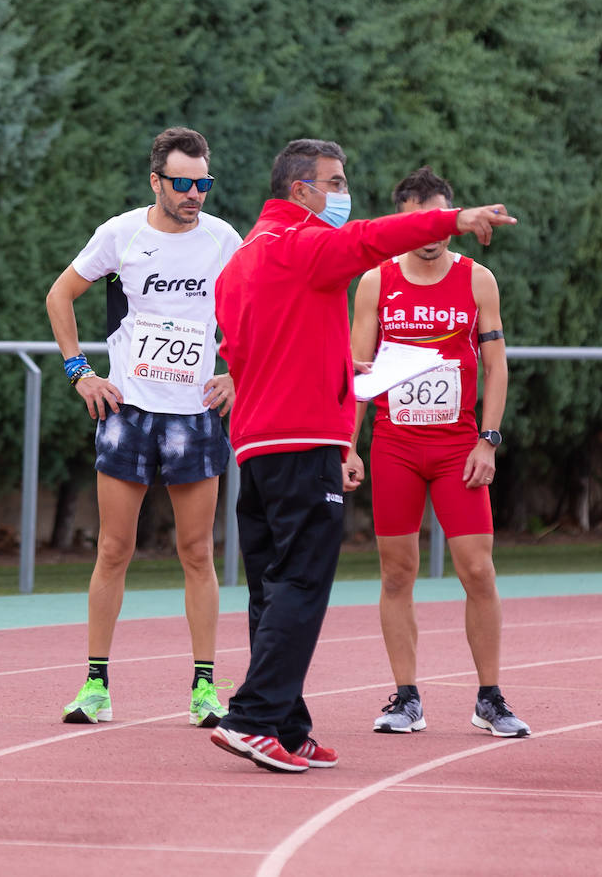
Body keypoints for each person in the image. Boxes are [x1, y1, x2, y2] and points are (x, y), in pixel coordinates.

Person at [209, 139, 517, 773]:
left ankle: (287, 728)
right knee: (301, 583)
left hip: (255, 448)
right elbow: (371, 241)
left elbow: (240, 352)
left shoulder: (241, 260)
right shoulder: (303, 247)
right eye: (336, 181)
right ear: (302, 190)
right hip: (302, 443)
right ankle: (253, 718)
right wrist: (452, 219)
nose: (345, 194)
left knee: (272, 587)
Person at [46, 127, 242, 729]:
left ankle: (204, 689)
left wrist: (236, 372)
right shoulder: (120, 233)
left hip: (194, 415)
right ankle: (95, 685)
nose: (194, 194)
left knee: (196, 552)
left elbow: (252, 309)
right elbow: (61, 296)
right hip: (127, 413)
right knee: (113, 549)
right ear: (155, 180)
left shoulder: (223, 239)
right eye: (182, 183)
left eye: (202, 183)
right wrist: (81, 373)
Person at [347, 167, 527, 739]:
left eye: (440, 220)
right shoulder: (375, 281)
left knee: (478, 570)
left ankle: (490, 698)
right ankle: (406, 698)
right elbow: (357, 372)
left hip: (458, 448)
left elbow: (496, 364)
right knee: (397, 572)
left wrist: (489, 439)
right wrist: (345, 447)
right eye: (416, 220)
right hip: (395, 445)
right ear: (400, 220)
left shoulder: (478, 280)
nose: (430, 233)